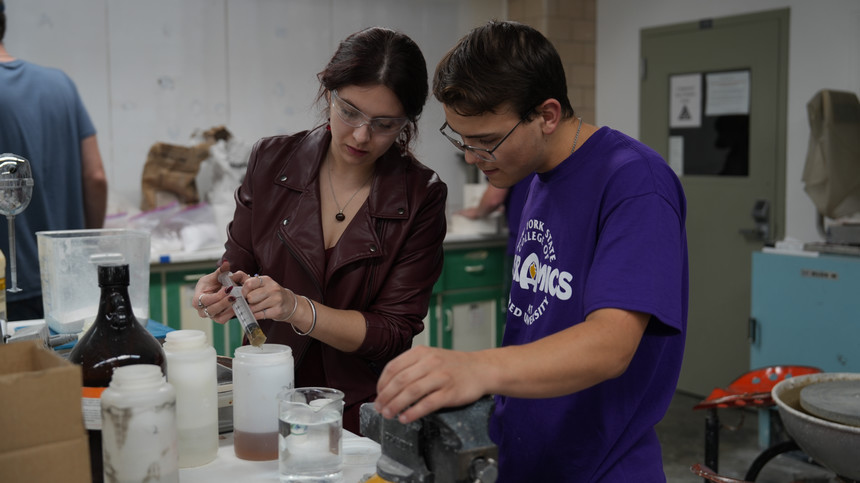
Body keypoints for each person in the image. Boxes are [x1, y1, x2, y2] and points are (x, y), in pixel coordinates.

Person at [374, 20, 688, 482]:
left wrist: (475, 367)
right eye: (461, 138)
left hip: (599, 466)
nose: (471, 156)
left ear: (547, 115)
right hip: (527, 455)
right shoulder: (534, 176)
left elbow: (610, 345)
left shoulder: (635, 183)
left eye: (486, 142)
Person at [192, 27, 447, 435]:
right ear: (328, 93)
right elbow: (237, 264)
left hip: (359, 411)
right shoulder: (272, 161)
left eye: (384, 124)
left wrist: (297, 308)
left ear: (407, 122)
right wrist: (220, 288)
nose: (362, 135)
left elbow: (392, 332)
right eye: (349, 112)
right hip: (267, 396)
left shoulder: (421, 196)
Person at [0, 0, 108, 320]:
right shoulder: (60, 84)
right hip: (70, 284)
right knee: (71, 369)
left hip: (9, 290)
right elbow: (96, 176)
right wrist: (87, 247)